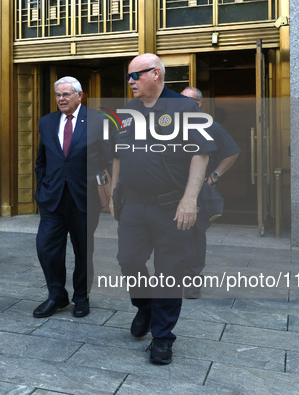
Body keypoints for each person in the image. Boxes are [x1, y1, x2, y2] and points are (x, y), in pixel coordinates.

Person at [109, 54, 216, 364]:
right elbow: (118, 153)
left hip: (171, 206)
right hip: (134, 205)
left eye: (135, 75)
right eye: (129, 76)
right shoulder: (128, 112)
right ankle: (144, 306)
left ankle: (163, 337)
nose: (130, 82)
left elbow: (201, 155)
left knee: (170, 272)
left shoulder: (184, 108)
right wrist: (115, 193)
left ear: (155, 74)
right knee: (128, 261)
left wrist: (189, 200)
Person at [33, 76, 106, 319]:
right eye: (58, 95)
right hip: (52, 198)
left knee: (83, 250)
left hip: (84, 198)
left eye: (66, 94)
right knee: (46, 248)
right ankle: (56, 295)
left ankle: (81, 296)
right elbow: (41, 160)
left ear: (79, 95)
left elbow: (109, 160)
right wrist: (41, 188)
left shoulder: (98, 121)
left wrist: (106, 192)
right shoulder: (46, 122)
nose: (61, 99)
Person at [180, 87, 240, 299]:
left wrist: (214, 175)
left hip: (200, 192)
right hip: (175, 190)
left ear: (199, 104)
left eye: (190, 101)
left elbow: (232, 152)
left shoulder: (209, 126)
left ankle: (192, 280)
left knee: (194, 235)